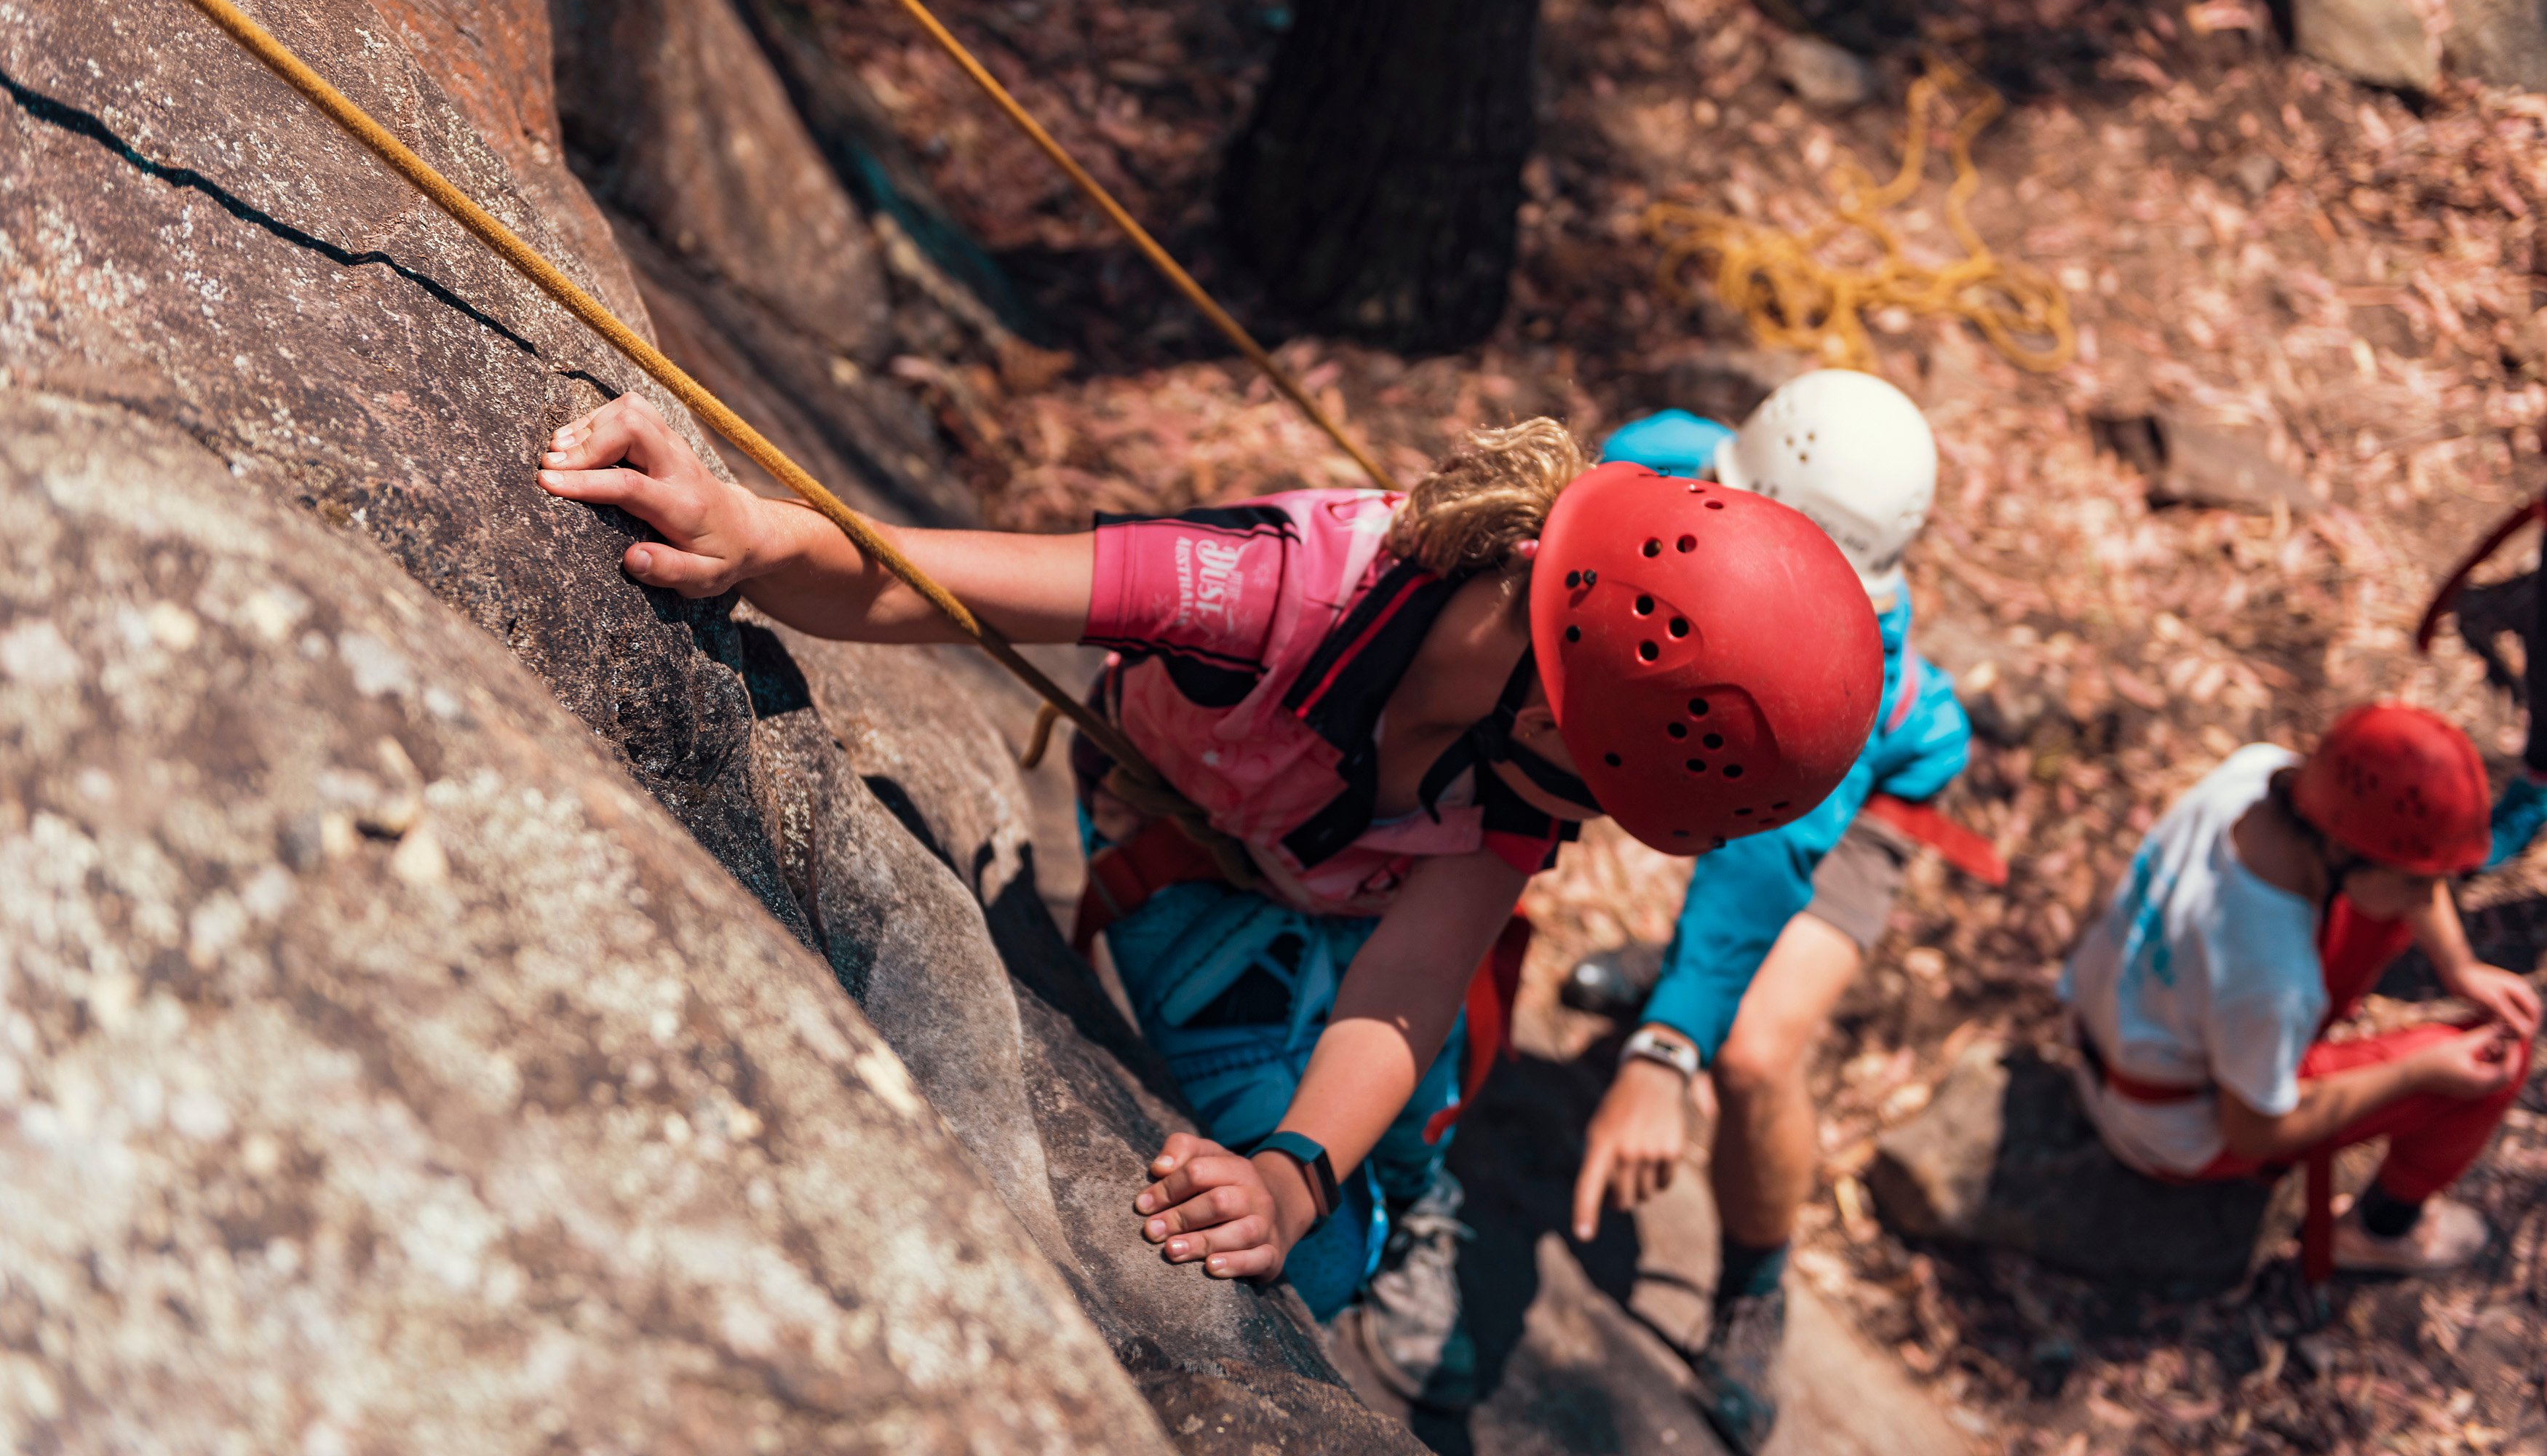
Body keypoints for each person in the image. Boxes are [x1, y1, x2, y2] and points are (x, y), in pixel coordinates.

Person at [534, 394, 1885, 1408]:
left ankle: (1409, 1180)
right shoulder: (1279, 590)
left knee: (1364, 1172)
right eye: (1596, 779)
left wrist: (1296, 1173)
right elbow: (941, 585)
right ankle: (1382, 1189)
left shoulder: (1531, 748)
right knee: (1311, 1268)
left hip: (1356, 897)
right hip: (1199, 868)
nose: (1587, 816)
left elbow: (1411, 979)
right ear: (1555, 691)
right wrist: (753, 534)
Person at [1559, 370, 1971, 1453]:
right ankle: (1684, 972)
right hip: (1733, 720)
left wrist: (1668, 1046)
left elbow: (1766, 857)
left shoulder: (1841, 663)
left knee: (1752, 1052)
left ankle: (1754, 1284)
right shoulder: (1654, 460)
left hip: (1865, 793)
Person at [2065, 705, 2539, 1276]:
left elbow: (2387, 872)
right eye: (2419, 882)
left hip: (2117, 1029)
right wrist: (2421, 1072)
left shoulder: (2261, 778)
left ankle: (2302, 1046)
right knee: (2494, 1067)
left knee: (2381, 909)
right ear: (2348, 854)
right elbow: (2255, 1130)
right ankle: (2377, 1233)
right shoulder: (2272, 981)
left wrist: (2460, 967)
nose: (2432, 896)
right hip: (2169, 1130)